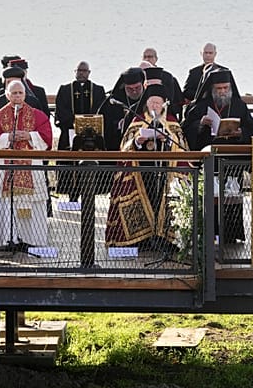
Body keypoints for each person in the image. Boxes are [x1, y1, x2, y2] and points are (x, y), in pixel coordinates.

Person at [105, 82, 189, 253]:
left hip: (165, 174)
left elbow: (181, 146)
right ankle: (142, 240)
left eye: (158, 103)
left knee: (162, 203)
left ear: (164, 104)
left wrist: (167, 140)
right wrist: (137, 141)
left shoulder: (172, 122)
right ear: (146, 104)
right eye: (152, 103)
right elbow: (125, 146)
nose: (155, 106)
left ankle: (164, 239)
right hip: (141, 175)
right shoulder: (137, 120)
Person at [0, 77, 53, 250]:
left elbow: (47, 137)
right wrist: (8, 137)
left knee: (34, 203)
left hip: (32, 167)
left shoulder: (37, 115)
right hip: (5, 168)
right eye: (13, 93)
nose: (17, 96)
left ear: (25, 94)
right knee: (4, 203)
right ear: (7, 95)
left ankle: (32, 240)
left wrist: (30, 136)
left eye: (20, 93)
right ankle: (5, 239)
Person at [183, 73, 253, 150]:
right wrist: (200, 124)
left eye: (225, 88)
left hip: (234, 149)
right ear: (212, 89)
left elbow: (252, 129)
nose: (222, 91)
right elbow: (186, 128)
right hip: (207, 149)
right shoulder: (201, 106)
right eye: (219, 88)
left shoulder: (239, 105)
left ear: (230, 88)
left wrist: (241, 133)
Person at [54, 62, 107, 150]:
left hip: (94, 134)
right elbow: (61, 110)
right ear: (75, 72)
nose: (81, 73)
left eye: (84, 70)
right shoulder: (65, 90)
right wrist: (76, 123)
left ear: (89, 72)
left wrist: (89, 123)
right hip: (70, 130)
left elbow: (101, 110)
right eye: (79, 70)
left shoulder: (98, 90)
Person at [140, 47, 183, 117]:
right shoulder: (136, 75)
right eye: (145, 57)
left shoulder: (167, 77)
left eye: (150, 57)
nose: (147, 59)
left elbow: (175, 100)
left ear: (156, 59)